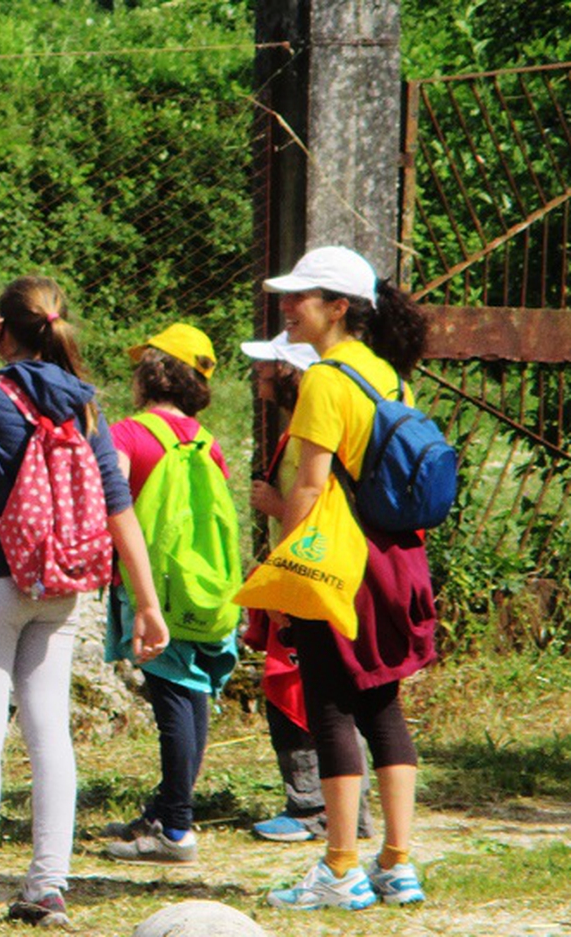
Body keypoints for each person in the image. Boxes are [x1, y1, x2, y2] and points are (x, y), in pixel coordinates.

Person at [0, 279, 170, 931]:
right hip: (63, 584)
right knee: (49, 731)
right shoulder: (86, 404)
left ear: (4, 332)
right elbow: (117, 505)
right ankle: (46, 888)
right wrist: (148, 603)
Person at [259, 246, 437, 911]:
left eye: (300, 297)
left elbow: (307, 488)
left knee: (329, 705)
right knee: (382, 704)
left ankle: (340, 865)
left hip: (337, 566)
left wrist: (285, 578)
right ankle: (397, 861)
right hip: (393, 562)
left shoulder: (327, 381)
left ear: (339, 307)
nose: (287, 307)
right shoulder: (392, 378)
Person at [99, 324, 238, 865]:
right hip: (203, 586)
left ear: (149, 375)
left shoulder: (128, 434)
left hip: (152, 587)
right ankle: (165, 808)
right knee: (192, 690)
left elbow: (110, 503)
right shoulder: (205, 440)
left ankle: (176, 828)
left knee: (173, 699)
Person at [240, 334, 377, 845]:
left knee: (303, 690)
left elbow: (320, 505)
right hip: (325, 573)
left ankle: (312, 807)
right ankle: (340, 810)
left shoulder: (309, 437)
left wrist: (278, 515)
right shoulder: (306, 429)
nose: (258, 379)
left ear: (290, 374)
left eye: (267, 369)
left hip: (312, 574)